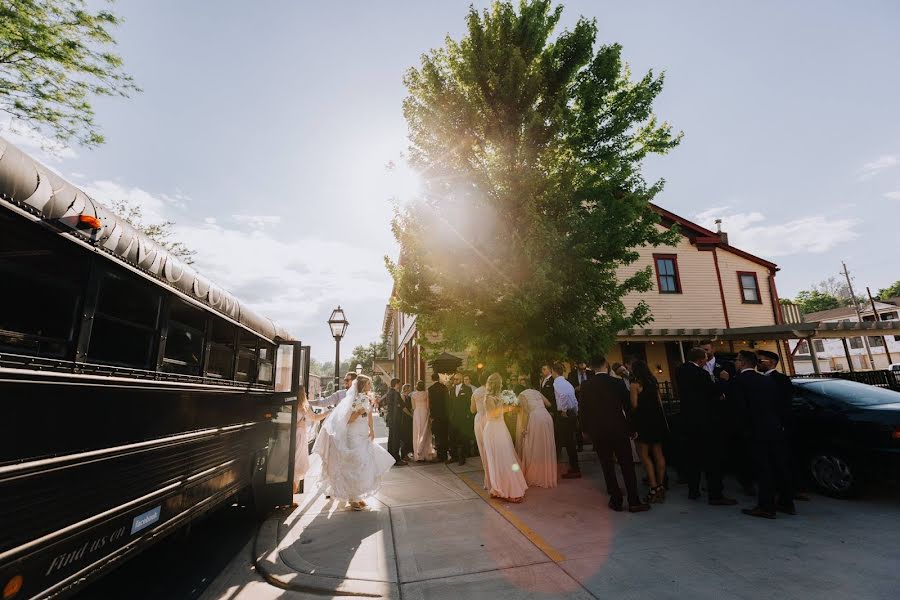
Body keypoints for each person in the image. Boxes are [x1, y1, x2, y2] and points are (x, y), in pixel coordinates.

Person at [311, 375, 395, 510]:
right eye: (368, 383)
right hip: (353, 434)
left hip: (363, 433)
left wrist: (372, 430)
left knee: (364, 464)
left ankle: (358, 495)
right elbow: (349, 419)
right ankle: (352, 498)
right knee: (354, 464)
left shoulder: (366, 398)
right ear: (362, 385)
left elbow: (368, 415)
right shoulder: (355, 399)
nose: (370, 385)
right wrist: (359, 411)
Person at [730, 351, 795, 519]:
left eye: (737, 360)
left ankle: (766, 506)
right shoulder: (765, 380)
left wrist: (742, 430)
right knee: (778, 465)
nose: (735, 363)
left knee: (763, 468)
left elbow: (740, 409)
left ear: (743, 363)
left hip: (755, 430)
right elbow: (777, 404)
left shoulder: (739, 382)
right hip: (773, 427)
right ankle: (786, 502)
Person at [580, 356, 650, 512]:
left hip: (598, 431)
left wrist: (585, 430)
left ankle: (616, 499)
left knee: (607, 465)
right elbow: (628, 407)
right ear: (606, 365)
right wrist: (632, 428)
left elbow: (583, 410)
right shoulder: (617, 383)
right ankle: (633, 501)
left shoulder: (585, 386)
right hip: (619, 429)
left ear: (591, 367)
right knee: (627, 465)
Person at [675, 347, 737, 506]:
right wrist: (723, 381)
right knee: (712, 459)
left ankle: (693, 490)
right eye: (704, 359)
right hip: (705, 422)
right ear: (700, 360)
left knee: (692, 458)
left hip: (688, 421)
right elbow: (712, 391)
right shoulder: (701, 374)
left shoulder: (680, 371)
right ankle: (715, 494)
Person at [700, 340, 753, 495]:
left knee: (738, 451)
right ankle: (715, 484)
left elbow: (736, 385)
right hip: (711, 414)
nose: (705, 353)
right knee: (715, 453)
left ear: (713, 350)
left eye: (707, 349)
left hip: (728, 414)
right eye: (702, 350)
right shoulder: (700, 368)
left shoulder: (726, 366)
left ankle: (746, 482)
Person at [757, 350, 809, 502]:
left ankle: (790, 490)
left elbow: (783, 403)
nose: (758, 364)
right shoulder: (761, 379)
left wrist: (781, 423)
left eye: (761, 361)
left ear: (771, 362)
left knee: (784, 459)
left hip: (780, 425)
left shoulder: (780, 379)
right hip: (773, 425)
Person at [481, 373, 528, 502]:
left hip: (501, 428)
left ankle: (501, 487)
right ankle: (504, 490)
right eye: (500, 382)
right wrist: (504, 405)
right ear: (497, 384)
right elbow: (494, 414)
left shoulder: (499, 396)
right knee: (499, 459)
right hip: (493, 430)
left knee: (506, 457)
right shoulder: (488, 398)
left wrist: (510, 405)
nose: (502, 384)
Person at [629, 360, 669, 503]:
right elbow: (660, 401)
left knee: (644, 455)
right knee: (658, 453)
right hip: (656, 420)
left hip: (643, 421)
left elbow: (634, 405)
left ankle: (653, 487)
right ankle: (661, 485)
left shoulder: (635, 384)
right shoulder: (653, 382)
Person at [515, 387, 557, 488]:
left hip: (536, 418)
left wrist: (523, 429)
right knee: (545, 445)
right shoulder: (537, 392)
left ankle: (536, 475)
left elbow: (525, 412)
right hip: (546, 417)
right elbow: (549, 404)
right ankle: (546, 474)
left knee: (534, 446)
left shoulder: (521, 394)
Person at [293, 386, 332, 493]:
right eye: (305, 392)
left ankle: (290, 496)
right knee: (297, 464)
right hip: (300, 437)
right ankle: (290, 496)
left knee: (293, 464)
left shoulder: (291, 405)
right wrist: (328, 413)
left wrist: (328, 413)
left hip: (292, 436)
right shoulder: (304, 406)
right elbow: (315, 417)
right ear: (302, 394)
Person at [552, 362, 581, 479]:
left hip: (564, 414)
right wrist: (576, 411)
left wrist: (563, 410)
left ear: (554, 372)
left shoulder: (557, 382)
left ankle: (574, 468)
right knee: (570, 442)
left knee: (565, 441)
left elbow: (563, 396)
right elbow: (573, 399)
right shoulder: (567, 382)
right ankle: (574, 467)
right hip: (572, 412)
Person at [449, 373, 475, 465]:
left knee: (463, 438)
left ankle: (462, 458)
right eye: (454, 379)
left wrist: (468, 415)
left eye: (457, 379)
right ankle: (454, 456)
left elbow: (469, 402)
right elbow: (450, 403)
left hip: (463, 417)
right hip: (454, 417)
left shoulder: (467, 389)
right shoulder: (451, 389)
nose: (455, 381)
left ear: (461, 379)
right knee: (453, 437)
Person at [471, 373, 490, 488]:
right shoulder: (491, 391)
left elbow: (472, 410)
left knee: (482, 447)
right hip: (490, 419)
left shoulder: (475, 392)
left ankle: (487, 476)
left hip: (479, 420)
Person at [384, 378, 408, 466]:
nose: (400, 385)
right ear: (396, 384)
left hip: (390, 419)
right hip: (396, 419)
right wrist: (410, 414)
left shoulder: (388, 393)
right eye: (399, 384)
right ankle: (396, 459)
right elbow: (403, 406)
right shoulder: (396, 393)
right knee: (396, 440)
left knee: (391, 439)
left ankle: (390, 458)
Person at [428, 372, 451, 463]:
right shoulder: (444, 387)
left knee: (438, 436)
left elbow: (431, 404)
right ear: (438, 378)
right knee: (444, 435)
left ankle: (440, 456)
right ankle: (445, 455)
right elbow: (448, 402)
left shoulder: (431, 389)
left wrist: (432, 416)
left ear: (432, 379)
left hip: (436, 416)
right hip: (445, 415)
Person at [411, 380, 434, 461]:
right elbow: (428, 406)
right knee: (425, 432)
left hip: (417, 412)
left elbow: (413, 407)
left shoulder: (413, 394)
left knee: (417, 432)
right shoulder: (426, 393)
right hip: (424, 412)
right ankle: (426, 453)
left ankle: (418, 455)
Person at [400, 384, 415, 460]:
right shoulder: (402, 396)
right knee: (405, 437)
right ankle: (404, 454)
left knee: (409, 436)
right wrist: (410, 414)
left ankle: (408, 453)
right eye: (409, 388)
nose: (410, 389)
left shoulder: (409, 397)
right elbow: (403, 408)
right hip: (404, 418)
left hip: (409, 419)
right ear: (406, 389)